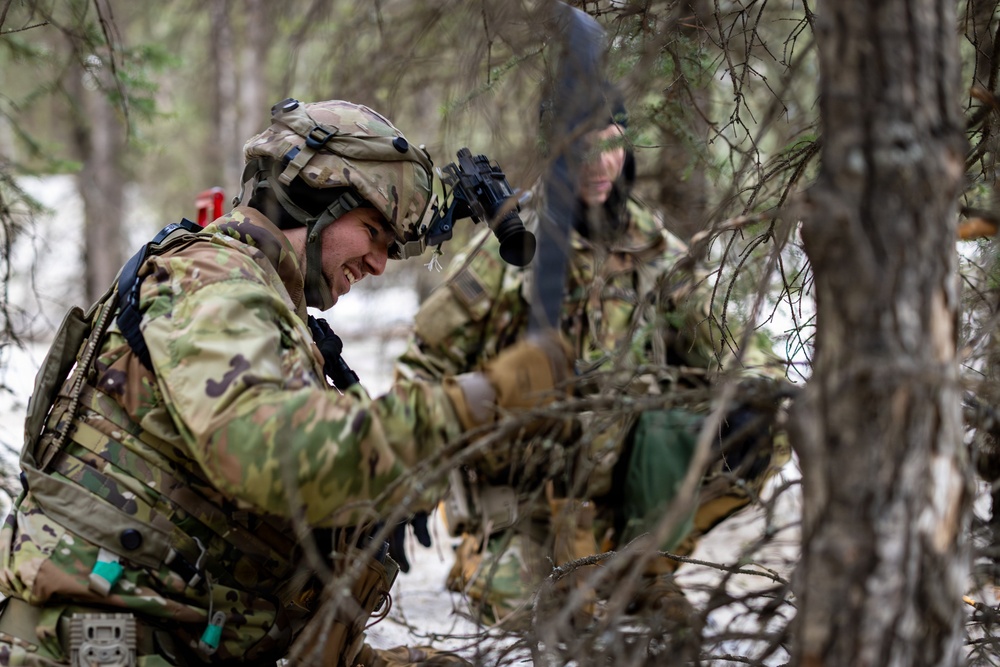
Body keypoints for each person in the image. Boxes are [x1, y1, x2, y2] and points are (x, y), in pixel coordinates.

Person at [0, 98, 570, 666]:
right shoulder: (215, 283)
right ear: (316, 200)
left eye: (391, 248)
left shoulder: (263, 302)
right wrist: (469, 403)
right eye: (373, 232)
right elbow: (270, 451)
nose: (377, 264)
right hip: (104, 642)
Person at [394, 97, 788, 625]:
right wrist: (406, 485)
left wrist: (753, 396)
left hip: (626, 499)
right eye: (581, 148)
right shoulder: (515, 252)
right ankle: (493, 556)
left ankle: (644, 563)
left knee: (766, 420)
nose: (599, 165)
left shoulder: (653, 251)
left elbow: (739, 346)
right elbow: (424, 366)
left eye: (610, 145)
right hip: (527, 509)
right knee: (531, 618)